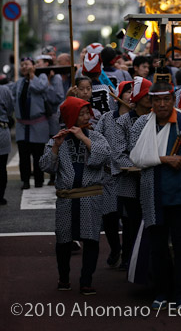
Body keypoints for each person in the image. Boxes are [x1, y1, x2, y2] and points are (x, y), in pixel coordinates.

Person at [130, 81, 181, 311]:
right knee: (158, 247)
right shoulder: (142, 125)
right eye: (157, 100)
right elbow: (137, 157)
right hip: (153, 196)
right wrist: (165, 159)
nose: (162, 104)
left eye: (166, 99)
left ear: (173, 100)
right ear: (150, 102)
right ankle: (161, 292)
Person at [39, 96, 110, 295]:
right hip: (67, 198)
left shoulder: (96, 137)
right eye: (82, 113)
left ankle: (86, 280)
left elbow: (103, 157)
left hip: (90, 196)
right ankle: (63, 278)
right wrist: (55, 147)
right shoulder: (58, 138)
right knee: (63, 239)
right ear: (70, 116)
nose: (87, 116)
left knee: (91, 239)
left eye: (88, 112)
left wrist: (84, 138)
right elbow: (46, 167)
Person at [111, 76, 152, 271]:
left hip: (152, 178)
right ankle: (128, 258)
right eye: (146, 94)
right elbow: (118, 153)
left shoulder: (156, 118)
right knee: (130, 222)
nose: (150, 98)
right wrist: (138, 167)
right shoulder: (123, 121)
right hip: (129, 181)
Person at [95, 81, 135, 268]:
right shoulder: (106, 118)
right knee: (109, 217)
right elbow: (96, 140)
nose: (131, 95)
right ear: (119, 95)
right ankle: (115, 249)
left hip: (130, 176)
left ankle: (127, 256)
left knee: (129, 219)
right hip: (109, 176)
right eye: (128, 91)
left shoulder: (139, 118)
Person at [12, 57, 59, 189]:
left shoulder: (41, 77)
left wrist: (33, 75)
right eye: (22, 65)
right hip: (22, 125)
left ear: (33, 66)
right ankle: (25, 180)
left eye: (27, 64)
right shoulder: (19, 82)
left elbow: (41, 88)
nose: (24, 67)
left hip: (38, 123)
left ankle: (39, 180)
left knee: (38, 154)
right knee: (24, 156)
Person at [0, 82, 14, 204]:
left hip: (2, 131)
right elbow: (10, 108)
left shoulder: (4, 89)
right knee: (1, 166)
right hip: (2, 127)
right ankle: (0, 196)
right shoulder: (4, 90)